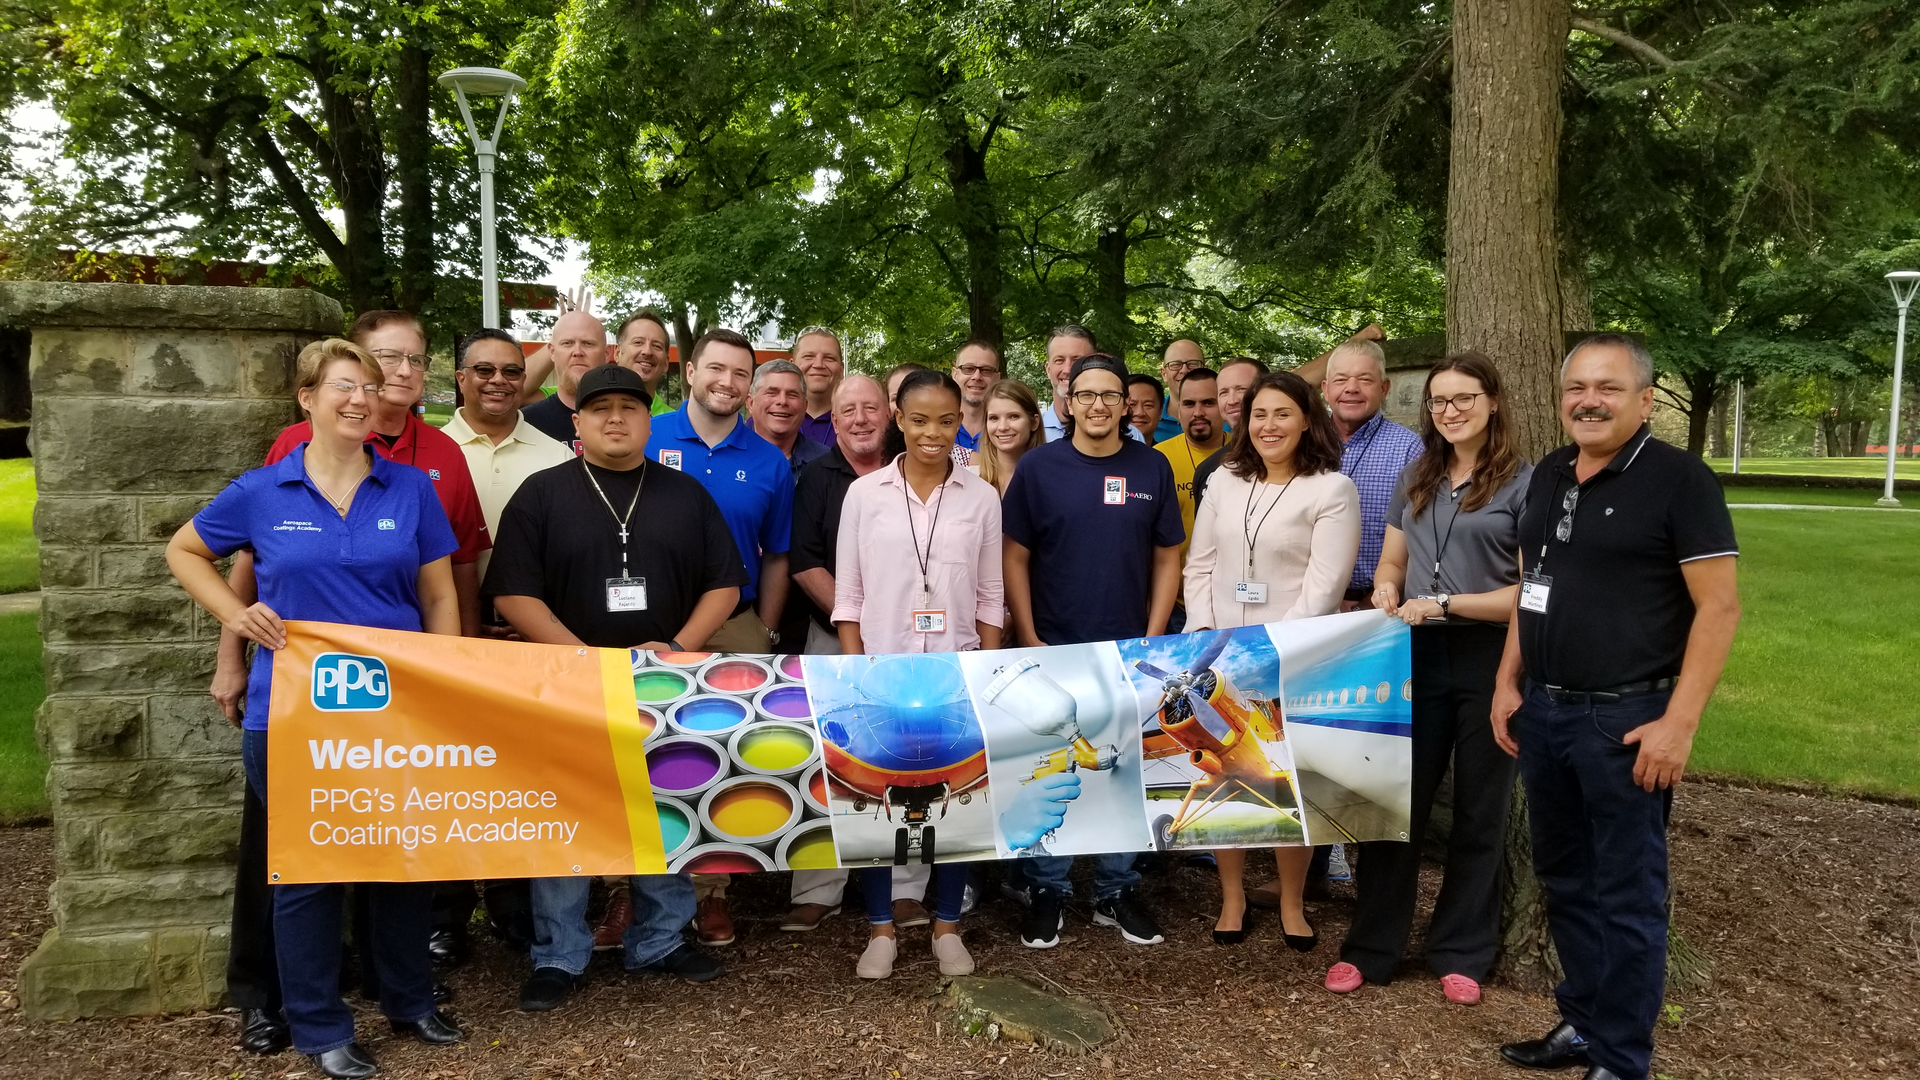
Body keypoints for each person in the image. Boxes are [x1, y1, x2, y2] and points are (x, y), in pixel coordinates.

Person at [167, 339, 464, 1080]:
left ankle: (409, 999)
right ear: (306, 399)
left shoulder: (409, 489)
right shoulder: (263, 491)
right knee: (306, 874)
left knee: (402, 861)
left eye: (369, 386)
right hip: (294, 714)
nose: (361, 398)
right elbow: (183, 551)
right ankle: (319, 1025)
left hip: (396, 713)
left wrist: (449, 674)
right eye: (343, 387)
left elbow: (437, 594)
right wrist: (235, 622)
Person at [1492, 335, 1740, 1080]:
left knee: (1628, 897)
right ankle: (1584, 1022)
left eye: (1607, 386)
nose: (1588, 399)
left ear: (1644, 399)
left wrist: (1679, 723)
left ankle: (1624, 1059)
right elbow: (1531, 584)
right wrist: (1509, 679)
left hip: (1628, 724)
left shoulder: (1679, 481)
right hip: (1544, 712)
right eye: (1576, 386)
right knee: (1565, 881)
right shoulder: (1550, 472)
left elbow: (1720, 610)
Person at [484, 364, 743, 1013]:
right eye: (601, 408)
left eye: (630, 406)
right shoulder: (541, 495)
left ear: (647, 418)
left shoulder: (685, 495)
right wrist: (582, 657)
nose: (616, 418)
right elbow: (514, 592)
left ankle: (659, 939)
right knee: (565, 818)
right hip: (567, 683)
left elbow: (726, 585)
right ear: (577, 421)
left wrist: (680, 648)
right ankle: (559, 953)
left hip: (666, 685)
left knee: (666, 816)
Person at [1323, 352, 1530, 1006]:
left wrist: (1447, 604)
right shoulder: (1417, 473)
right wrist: (1386, 590)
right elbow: (1392, 559)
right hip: (1409, 655)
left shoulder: (1523, 484)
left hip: (1488, 655)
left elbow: (1528, 592)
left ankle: (1462, 950)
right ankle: (1372, 947)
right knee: (1392, 804)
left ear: (1492, 402)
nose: (1450, 410)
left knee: (1479, 809)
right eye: (1440, 400)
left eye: (1464, 397)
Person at [1001, 353, 1184, 948]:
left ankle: (1116, 888)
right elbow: (1015, 555)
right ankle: (1048, 887)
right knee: (1054, 763)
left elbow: (1166, 556)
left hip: (1131, 648)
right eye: (1087, 395)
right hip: (1054, 642)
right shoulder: (1038, 468)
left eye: (1111, 395)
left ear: (1125, 405)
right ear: (1068, 401)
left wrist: (1155, 633)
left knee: (1126, 766)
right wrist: (1027, 633)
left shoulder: (1151, 467)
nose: (1099, 405)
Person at [832, 369, 1003, 979]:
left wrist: (984, 671)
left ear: (962, 423)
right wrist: (856, 668)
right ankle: (880, 929)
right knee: (876, 800)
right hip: (879, 673)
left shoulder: (981, 497)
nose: (934, 433)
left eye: (948, 420)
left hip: (955, 675)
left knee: (954, 804)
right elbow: (848, 594)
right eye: (921, 419)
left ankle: (947, 926)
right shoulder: (865, 495)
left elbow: (989, 595)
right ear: (898, 420)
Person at [1182, 370, 1359, 952]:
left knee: (1289, 782)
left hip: (1294, 659)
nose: (1268, 425)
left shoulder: (1331, 489)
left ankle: (1291, 900)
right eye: (1259, 414)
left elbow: (1324, 586)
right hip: (1218, 658)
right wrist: (1206, 637)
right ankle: (1231, 897)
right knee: (1224, 775)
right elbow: (1199, 565)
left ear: (1307, 418)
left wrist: (1268, 654)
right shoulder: (1224, 482)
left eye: (1282, 413)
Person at [644, 328, 795, 945]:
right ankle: (626, 895)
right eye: (716, 369)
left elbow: (779, 553)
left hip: (736, 626)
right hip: (646, 620)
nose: (727, 383)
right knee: (637, 754)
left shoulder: (768, 461)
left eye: (739, 374)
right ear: (691, 373)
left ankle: (711, 892)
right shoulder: (646, 434)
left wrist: (766, 627)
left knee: (716, 759)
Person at [779, 373, 937, 934]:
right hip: (834, 640)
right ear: (835, 419)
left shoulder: (916, 468)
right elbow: (804, 560)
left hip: (916, 644)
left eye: (871, 408)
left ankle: (905, 891)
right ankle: (819, 888)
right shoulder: (817, 476)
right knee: (834, 760)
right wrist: (859, 627)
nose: (861, 419)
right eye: (849, 410)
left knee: (913, 759)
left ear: (890, 414)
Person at [437, 328, 575, 959]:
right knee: (446, 774)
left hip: (525, 630)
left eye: (511, 371)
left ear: (528, 378)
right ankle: (444, 912)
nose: (498, 381)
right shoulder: (428, 452)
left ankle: (514, 905)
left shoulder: (552, 457)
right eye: (483, 370)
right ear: (460, 377)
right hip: (441, 630)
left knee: (520, 775)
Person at [1321, 338, 1424, 608]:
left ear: (1384, 388)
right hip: (1306, 605)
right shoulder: (1304, 443)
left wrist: (1370, 602)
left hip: (1380, 605)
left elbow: (1420, 539)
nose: (1351, 388)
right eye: (1341, 379)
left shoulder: (1410, 449)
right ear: (1325, 388)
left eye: (1365, 380)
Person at [1155, 366, 1225, 553]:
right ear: (1178, 409)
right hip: (1175, 579)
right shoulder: (1158, 459)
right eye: (1189, 404)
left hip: (1229, 579)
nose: (1198, 412)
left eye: (1208, 403)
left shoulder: (1245, 453)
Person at [521, 310, 614, 450]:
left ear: (607, 354)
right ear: (552, 352)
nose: (577, 352)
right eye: (567, 343)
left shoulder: (624, 421)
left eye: (588, 343)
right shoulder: (525, 423)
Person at [1037, 325, 1145, 443]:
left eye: (1077, 361)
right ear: (1048, 369)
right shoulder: (1031, 431)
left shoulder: (1131, 436)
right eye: (1059, 360)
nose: (1068, 370)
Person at [1188, 356, 1268, 508]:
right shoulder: (1209, 469)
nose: (1232, 400)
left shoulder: (1300, 460)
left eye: (1241, 389)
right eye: (1223, 392)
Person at [748, 358, 831, 476]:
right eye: (772, 392)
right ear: (751, 403)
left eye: (792, 394)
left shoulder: (826, 463)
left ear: (804, 406)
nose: (782, 401)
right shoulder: (727, 456)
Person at [974, 378, 1045, 497]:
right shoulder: (970, 480)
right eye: (994, 418)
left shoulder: (1052, 480)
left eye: (1013, 416)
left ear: (1034, 422)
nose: (1002, 427)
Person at [614, 308, 679, 416]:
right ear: (617, 353)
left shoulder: (677, 425)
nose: (647, 351)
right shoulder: (592, 415)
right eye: (638, 342)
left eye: (656, 346)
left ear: (666, 363)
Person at [792, 325, 845, 446]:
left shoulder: (855, 423)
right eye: (808, 356)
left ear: (841, 369)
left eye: (829, 358)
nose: (818, 364)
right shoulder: (768, 420)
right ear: (792, 366)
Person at [953, 339, 1002, 456]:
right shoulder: (937, 429)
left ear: (997, 378)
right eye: (968, 369)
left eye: (986, 370)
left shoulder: (1006, 431)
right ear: (955, 374)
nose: (976, 377)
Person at [1157, 339, 1205, 441]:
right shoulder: (1149, 420)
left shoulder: (1226, 418)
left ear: (1205, 369)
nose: (1184, 370)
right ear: (1164, 374)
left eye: (1193, 364)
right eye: (1175, 364)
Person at [1126, 373, 1166, 445]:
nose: (1139, 413)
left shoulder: (1164, 455)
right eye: (1131, 405)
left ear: (1160, 412)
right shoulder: (1101, 454)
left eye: (1148, 405)